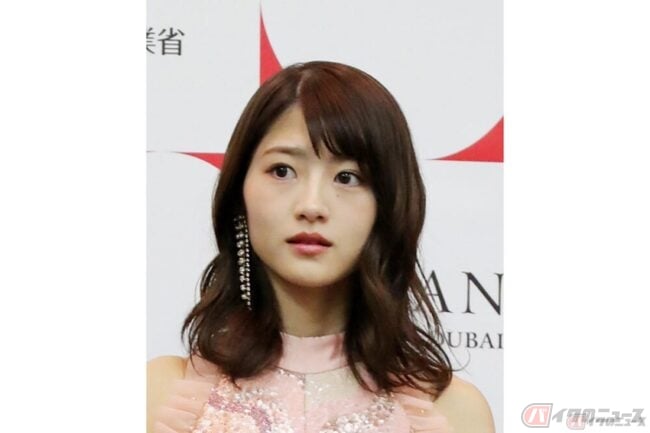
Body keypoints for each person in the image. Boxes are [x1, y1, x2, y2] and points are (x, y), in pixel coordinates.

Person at [147, 61, 495, 433]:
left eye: (347, 177)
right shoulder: (156, 393)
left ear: (388, 205)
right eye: (282, 170)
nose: (311, 206)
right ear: (239, 193)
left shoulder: (455, 412)